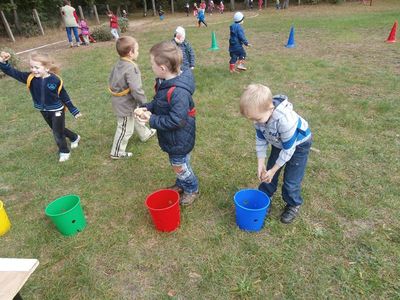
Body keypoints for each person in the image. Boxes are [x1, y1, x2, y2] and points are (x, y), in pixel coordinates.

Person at [134, 41, 199, 205]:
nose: (151, 67)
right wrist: (146, 107)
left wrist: (151, 119)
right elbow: (159, 102)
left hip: (179, 138)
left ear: (162, 67)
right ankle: (181, 183)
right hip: (173, 138)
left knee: (179, 165)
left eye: (152, 64)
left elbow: (177, 120)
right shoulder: (165, 82)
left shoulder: (178, 92)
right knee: (180, 163)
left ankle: (191, 188)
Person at [239, 84, 312, 224]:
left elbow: (288, 150)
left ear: (270, 109)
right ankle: (265, 198)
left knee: (291, 180)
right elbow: (261, 140)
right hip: (279, 142)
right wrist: (261, 164)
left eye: (257, 119)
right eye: (252, 119)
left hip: (299, 144)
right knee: (268, 175)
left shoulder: (285, 121)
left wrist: (273, 170)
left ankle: (293, 204)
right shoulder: (260, 117)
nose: (255, 122)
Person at [0, 51, 82, 162]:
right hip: (43, 110)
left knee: (57, 132)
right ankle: (74, 137)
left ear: (47, 68)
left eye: (37, 67)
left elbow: (64, 96)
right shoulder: (30, 78)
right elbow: (13, 72)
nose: (33, 70)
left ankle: (64, 151)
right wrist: (3, 63)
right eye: (31, 67)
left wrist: (74, 110)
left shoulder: (55, 80)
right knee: (56, 128)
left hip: (57, 110)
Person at [108, 36, 156, 159]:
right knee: (125, 128)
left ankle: (145, 134)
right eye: (137, 50)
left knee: (135, 116)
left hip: (122, 100)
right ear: (130, 53)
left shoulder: (119, 63)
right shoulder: (131, 68)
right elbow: (136, 89)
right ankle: (117, 152)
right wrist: (144, 104)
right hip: (124, 104)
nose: (138, 52)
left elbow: (111, 80)